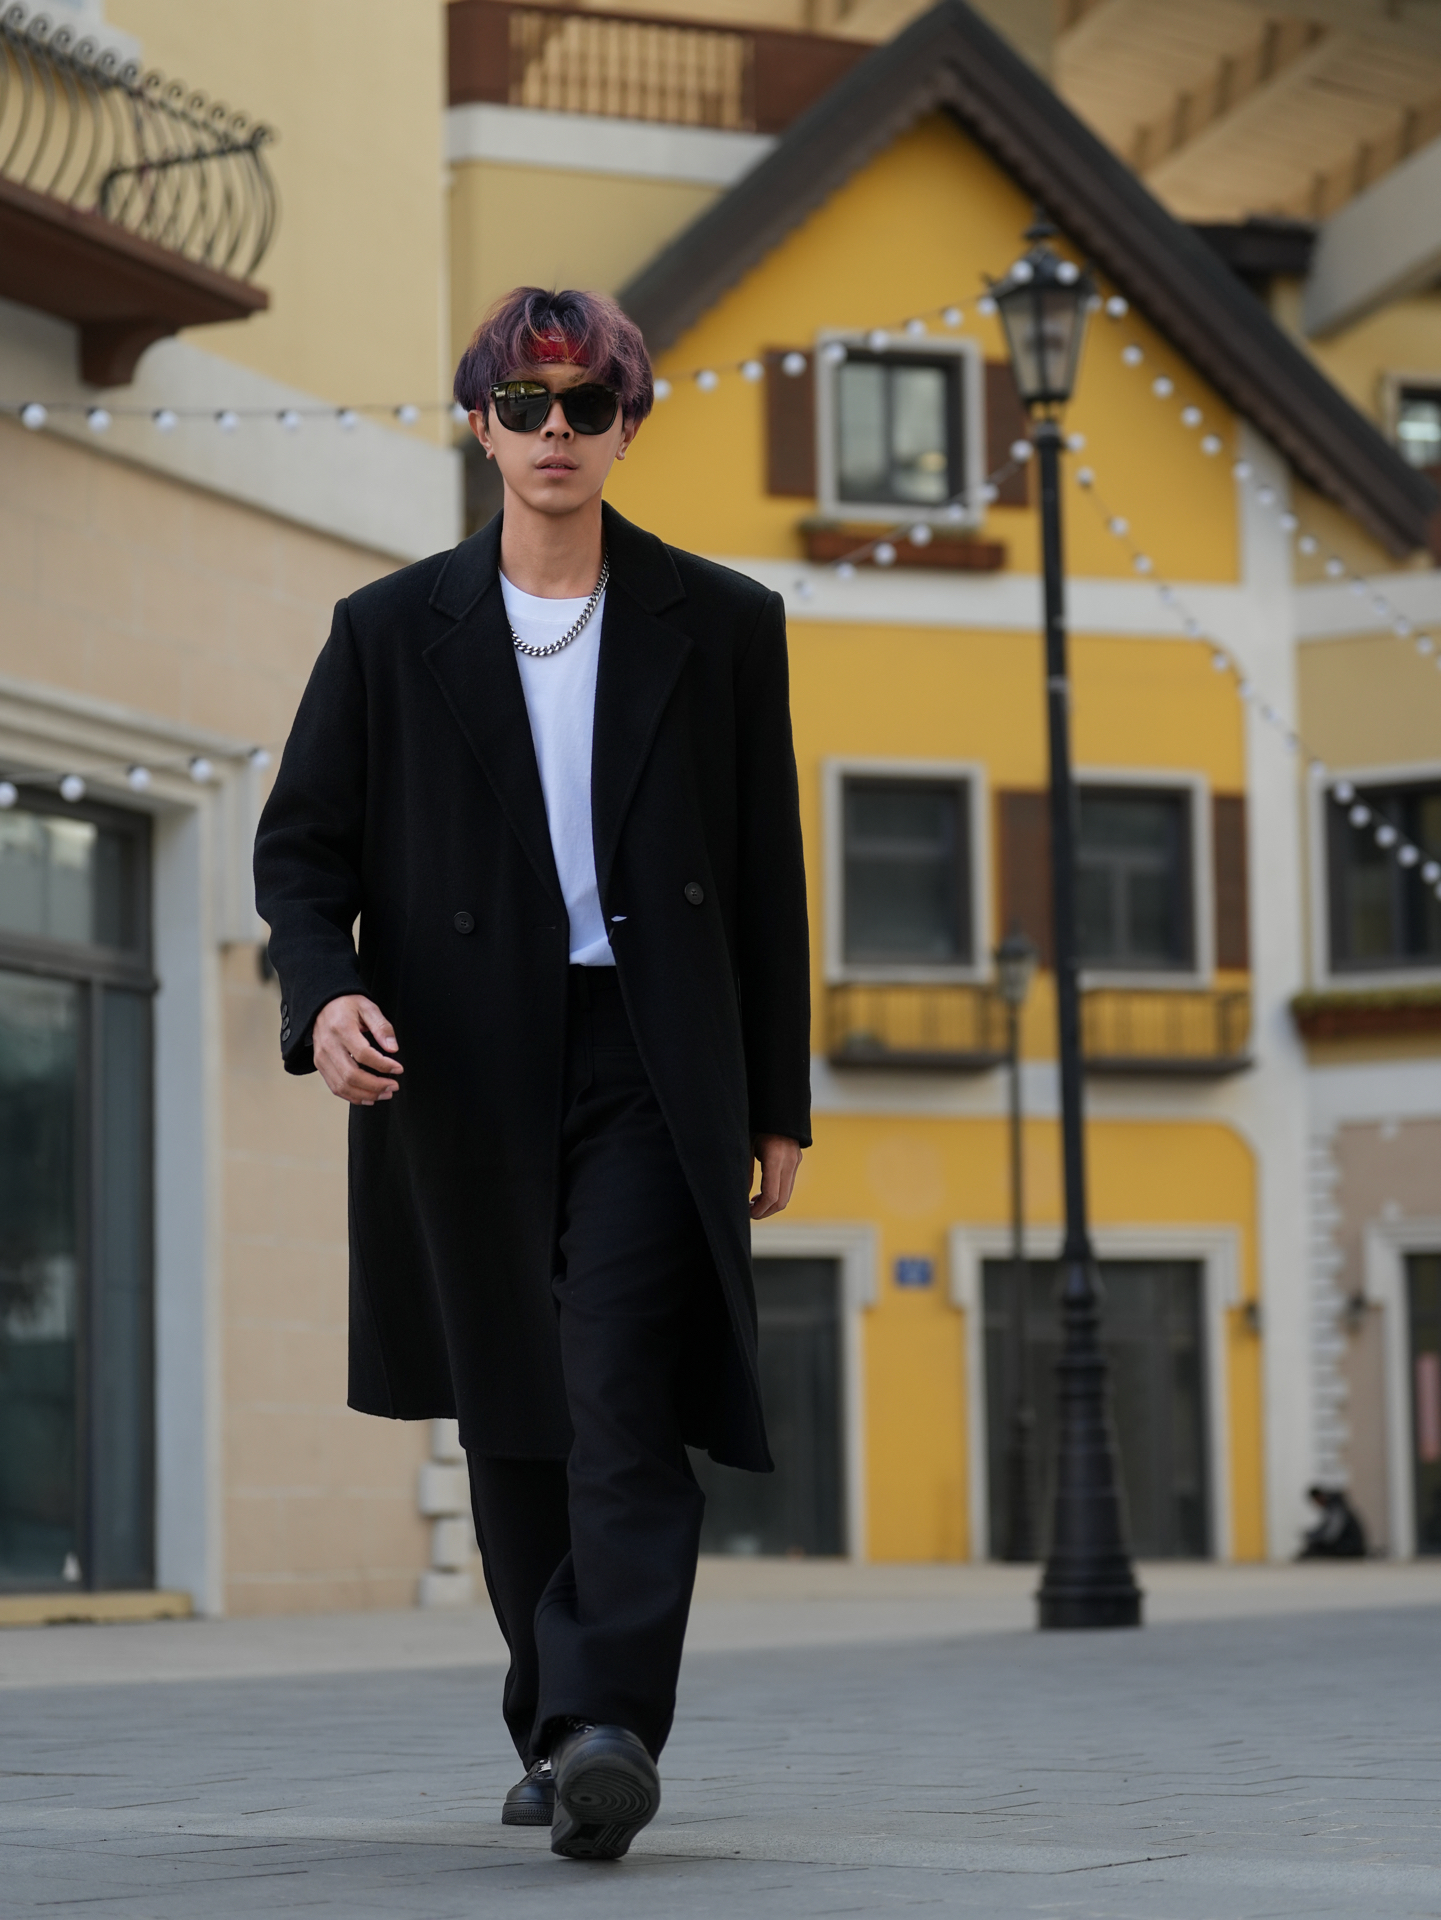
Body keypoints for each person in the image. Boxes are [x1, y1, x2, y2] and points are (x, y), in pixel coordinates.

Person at [253, 287, 811, 1862]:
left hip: (652, 1053)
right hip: (457, 1058)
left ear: (629, 424)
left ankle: (607, 1719)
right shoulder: (386, 630)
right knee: (513, 1400)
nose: (553, 431)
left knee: (619, 1381)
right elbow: (302, 852)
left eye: (584, 405)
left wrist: (777, 1096)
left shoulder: (723, 623)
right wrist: (326, 994)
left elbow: (765, 873)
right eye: (522, 405)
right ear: (479, 427)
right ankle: (557, 1722)